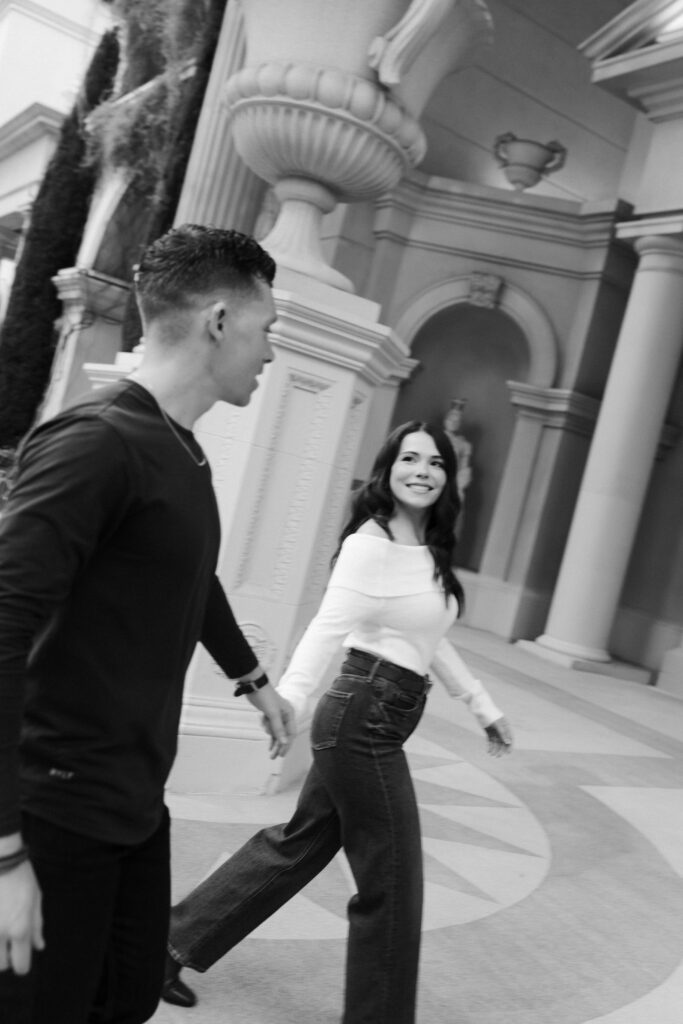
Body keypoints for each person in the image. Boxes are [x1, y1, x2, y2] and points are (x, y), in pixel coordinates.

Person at [0, 224, 294, 1024]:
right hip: (55, 805)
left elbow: (187, 574)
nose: (271, 353)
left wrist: (253, 679)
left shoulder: (180, 451)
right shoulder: (97, 443)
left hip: (132, 799)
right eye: (268, 329)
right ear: (220, 321)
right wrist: (5, 855)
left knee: (128, 995)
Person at [163, 419, 513, 1023]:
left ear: (448, 479)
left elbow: (431, 637)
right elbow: (327, 629)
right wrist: (289, 708)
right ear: (388, 468)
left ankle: (165, 947)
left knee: (295, 847)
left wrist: (483, 707)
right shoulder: (370, 546)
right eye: (409, 458)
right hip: (362, 720)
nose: (421, 471)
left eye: (434, 463)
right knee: (394, 881)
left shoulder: (428, 552)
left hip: (382, 711)